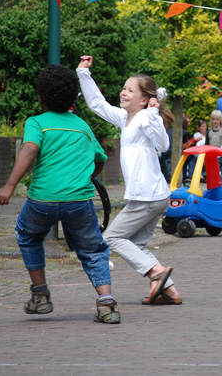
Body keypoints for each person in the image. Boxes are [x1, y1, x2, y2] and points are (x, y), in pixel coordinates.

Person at [0, 64, 120, 324]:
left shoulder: (37, 123)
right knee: (93, 249)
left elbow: (29, 149)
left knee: (28, 235)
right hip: (79, 201)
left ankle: (40, 296)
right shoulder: (83, 126)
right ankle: (106, 303)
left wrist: (9, 186)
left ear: (40, 97)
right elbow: (100, 159)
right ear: (73, 99)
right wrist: (87, 176)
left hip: (42, 200)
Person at [77, 56, 182, 306]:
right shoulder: (125, 118)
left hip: (147, 197)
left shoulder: (146, 117)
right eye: (124, 88)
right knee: (135, 245)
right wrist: (83, 74)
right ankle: (169, 291)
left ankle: (156, 272)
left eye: (130, 90)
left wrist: (155, 113)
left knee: (111, 238)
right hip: (151, 196)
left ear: (144, 99)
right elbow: (97, 104)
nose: (123, 93)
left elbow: (163, 144)